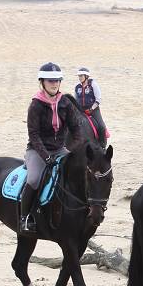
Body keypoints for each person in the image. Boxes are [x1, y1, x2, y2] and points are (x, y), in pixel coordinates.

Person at [20, 62, 86, 234]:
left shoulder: (65, 103)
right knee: (34, 179)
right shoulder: (36, 105)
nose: (54, 84)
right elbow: (34, 136)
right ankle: (25, 218)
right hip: (37, 151)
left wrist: (68, 150)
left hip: (60, 150)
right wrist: (46, 157)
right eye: (50, 81)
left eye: (57, 80)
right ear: (42, 82)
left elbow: (77, 132)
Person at [74, 67, 109, 146]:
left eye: (81, 76)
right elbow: (75, 100)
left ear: (86, 76)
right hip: (80, 110)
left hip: (93, 109)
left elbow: (98, 99)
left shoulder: (93, 84)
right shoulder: (77, 86)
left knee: (102, 126)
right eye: (79, 76)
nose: (79, 78)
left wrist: (91, 109)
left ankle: (102, 145)